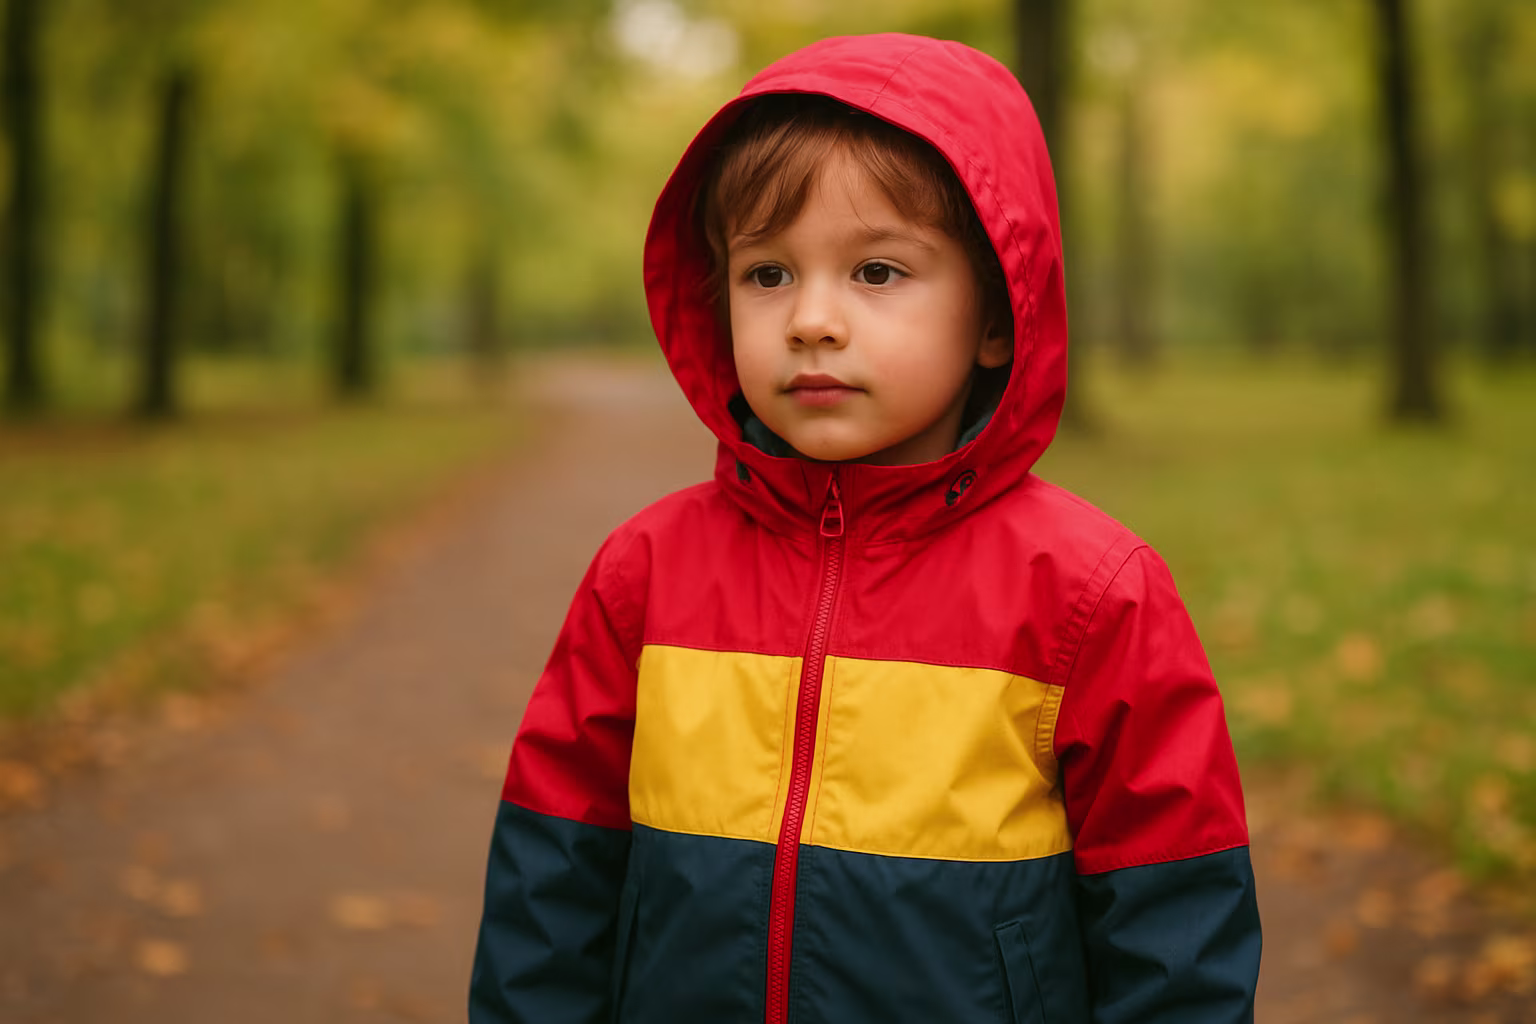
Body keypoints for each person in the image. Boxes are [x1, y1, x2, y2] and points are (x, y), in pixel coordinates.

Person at [470, 32, 1261, 1024]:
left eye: (878, 272)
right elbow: (551, 879)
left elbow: (1176, 925)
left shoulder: (1091, 591)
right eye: (767, 274)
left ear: (995, 317)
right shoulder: (646, 571)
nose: (811, 319)